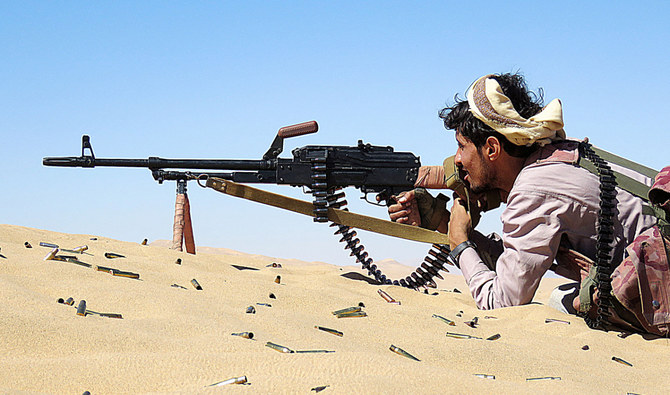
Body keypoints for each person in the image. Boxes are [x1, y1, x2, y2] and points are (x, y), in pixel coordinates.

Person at [389, 72, 667, 333]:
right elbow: (516, 263)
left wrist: (459, 243)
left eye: (462, 146)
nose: (458, 159)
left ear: (492, 148)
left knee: (562, 302)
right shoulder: (558, 153)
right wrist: (442, 221)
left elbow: (501, 302)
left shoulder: (533, 190)